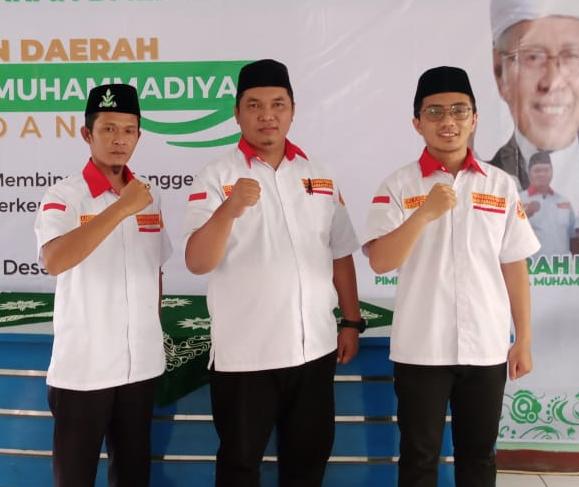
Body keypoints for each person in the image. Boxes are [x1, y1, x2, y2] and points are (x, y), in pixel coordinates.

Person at [183, 59, 363, 487]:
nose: (267, 115)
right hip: (247, 356)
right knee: (240, 467)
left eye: (278, 104)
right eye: (255, 105)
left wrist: (351, 321)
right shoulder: (216, 177)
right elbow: (197, 261)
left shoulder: (318, 174)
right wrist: (229, 209)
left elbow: (340, 253)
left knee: (307, 464)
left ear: (293, 110)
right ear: (237, 113)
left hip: (313, 350)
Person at [364, 66, 540, 487]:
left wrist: (524, 338)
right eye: (435, 112)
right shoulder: (397, 186)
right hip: (421, 348)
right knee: (419, 457)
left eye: (459, 111)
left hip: (486, 346)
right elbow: (381, 261)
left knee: (478, 456)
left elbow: (514, 264)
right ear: (417, 122)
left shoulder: (500, 186)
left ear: (474, 119)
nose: (448, 121)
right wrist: (423, 213)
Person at [34, 84, 172, 487]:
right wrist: (121, 207)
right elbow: (55, 260)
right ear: (87, 134)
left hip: (140, 366)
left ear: (138, 136)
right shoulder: (64, 196)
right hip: (85, 368)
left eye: (128, 130)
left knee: (133, 475)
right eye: (108, 129)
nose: (119, 139)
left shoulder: (148, 195)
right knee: (74, 478)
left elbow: (155, 270)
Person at [489, 0, 579, 235]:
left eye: (572, 56)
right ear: (499, 71)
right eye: (532, 57)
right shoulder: (483, 184)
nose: (552, 82)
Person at [520, 152, 576, 257]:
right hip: (531, 266)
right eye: (537, 170)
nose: (542, 174)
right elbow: (510, 236)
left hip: (561, 266)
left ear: (552, 172)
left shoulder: (564, 202)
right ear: (529, 172)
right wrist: (525, 214)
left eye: (546, 170)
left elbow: (573, 237)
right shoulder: (518, 200)